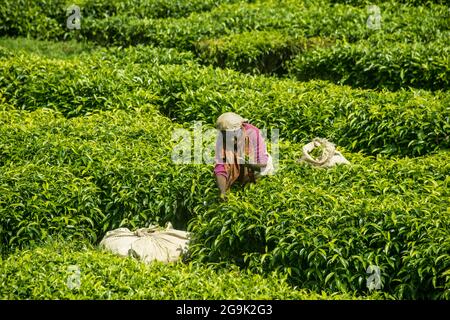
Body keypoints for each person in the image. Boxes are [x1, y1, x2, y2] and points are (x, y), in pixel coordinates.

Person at [214, 112, 274, 201]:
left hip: (259, 170)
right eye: (225, 135)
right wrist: (222, 192)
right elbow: (220, 167)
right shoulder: (222, 138)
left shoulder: (253, 133)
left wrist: (249, 165)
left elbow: (263, 163)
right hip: (242, 169)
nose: (230, 139)